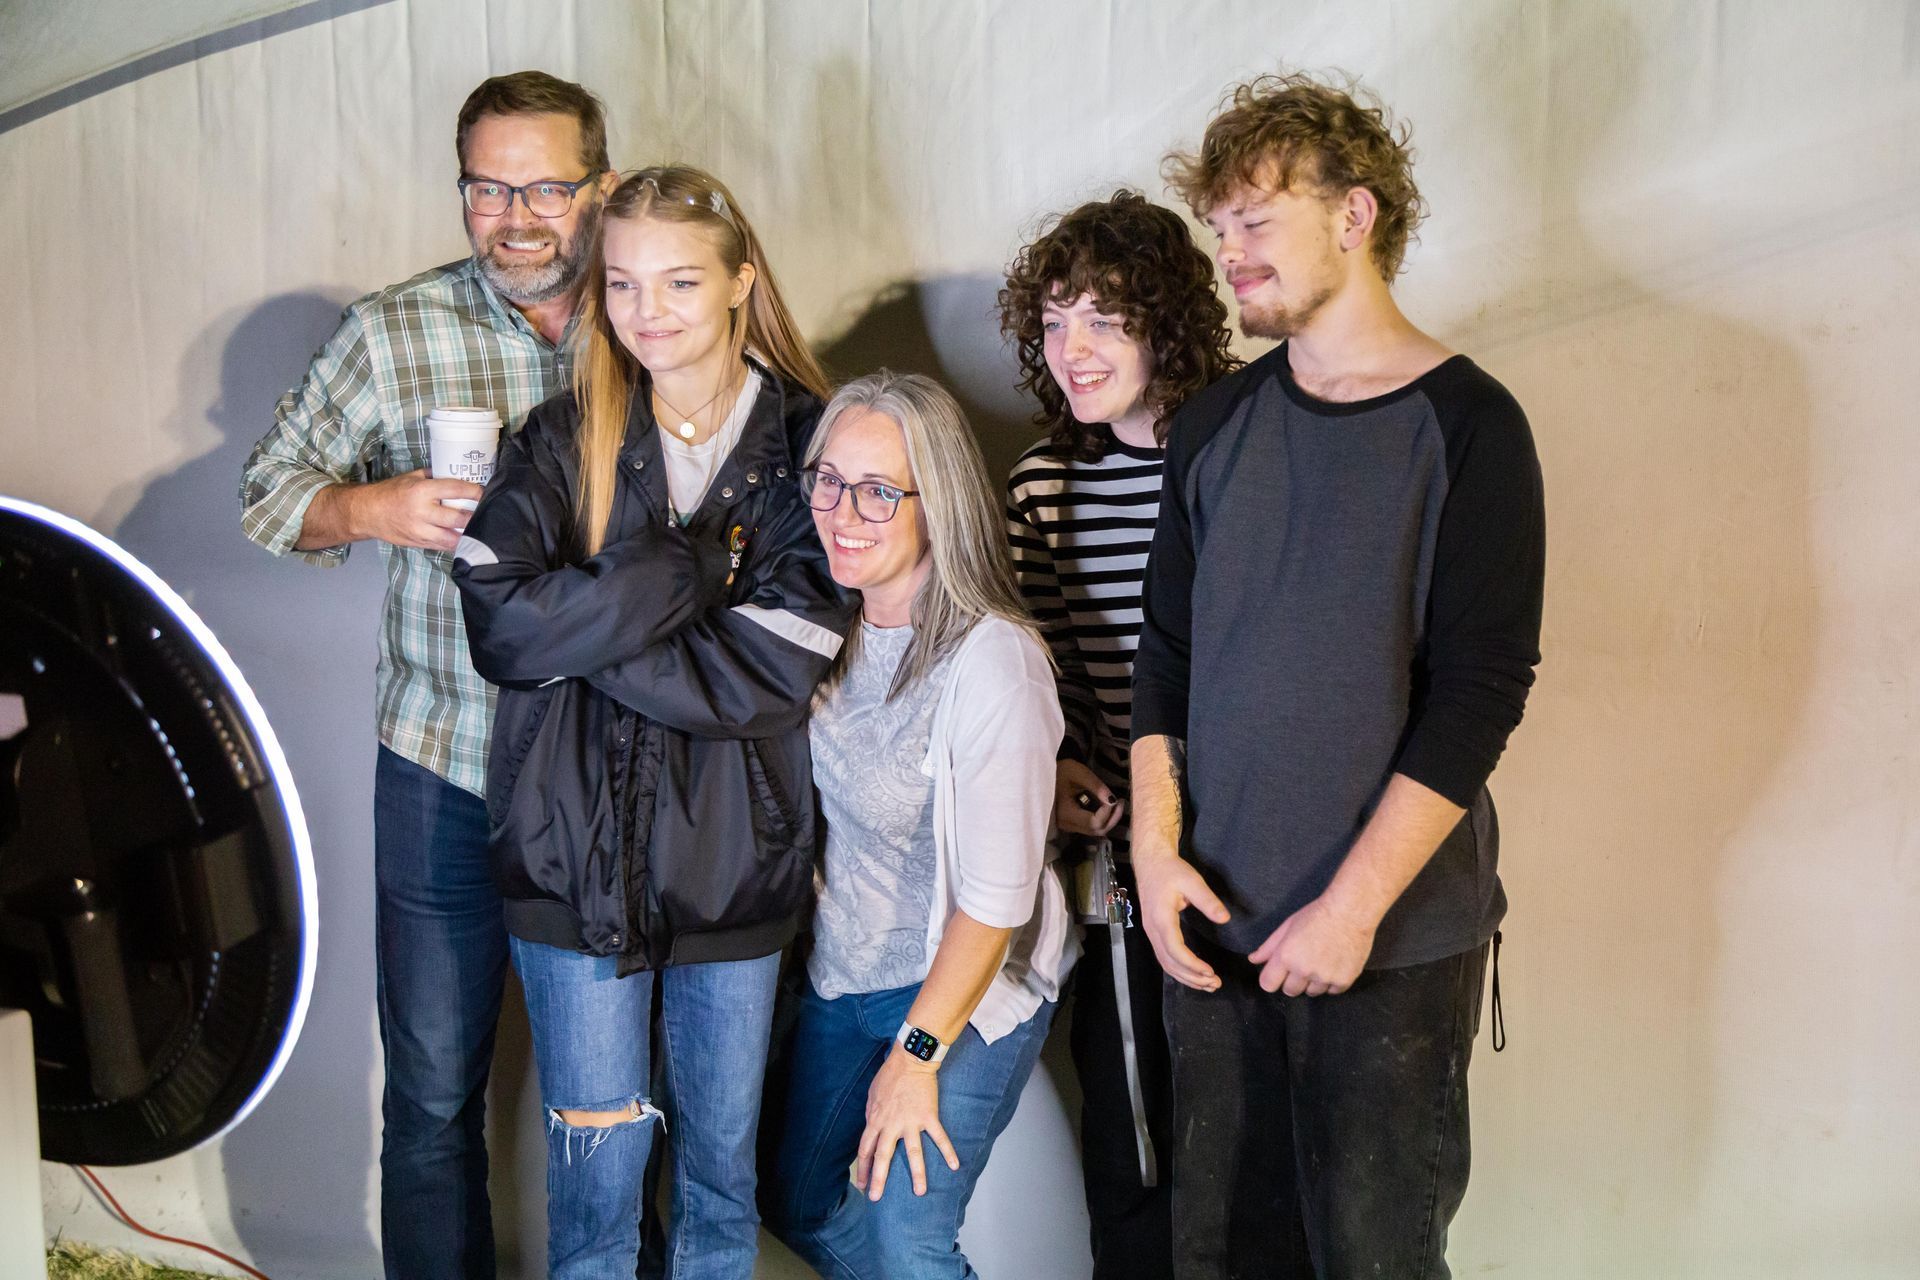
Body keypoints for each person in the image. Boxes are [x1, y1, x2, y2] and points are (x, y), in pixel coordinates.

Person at [1130, 73, 1546, 1279]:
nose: (1231, 258)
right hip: (1210, 932)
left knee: (1372, 1256)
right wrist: (1157, 860)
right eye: (1220, 232)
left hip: (1393, 944)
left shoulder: (1472, 425)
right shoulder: (1212, 426)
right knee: (1220, 1255)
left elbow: (1482, 690)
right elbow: (1166, 660)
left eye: (1254, 224)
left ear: (1355, 217)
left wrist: (1353, 907)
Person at [238, 70, 614, 1279]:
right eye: (487, 187)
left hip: (617, 766)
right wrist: (372, 504)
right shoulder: (391, 328)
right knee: (436, 1097)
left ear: (598, 188)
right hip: (442, 763)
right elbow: (267, 496)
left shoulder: (658, 311)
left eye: (547, 186)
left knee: (611, 1103)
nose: (516, 215)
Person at [449, 164, 855, 1279]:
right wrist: (684, 568)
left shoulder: (812, 447)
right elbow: (498, 625)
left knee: (721, 1187)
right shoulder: (557, 433)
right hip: (566, 867)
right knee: (595, 1202)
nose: (648, 311)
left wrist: (580, 628)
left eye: (679, 281)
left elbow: (769, 674)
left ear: (740, 282)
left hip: (738, 870)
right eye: (623, 284)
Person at [759, 371, 1076, 1278]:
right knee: (794, 1199)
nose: (841, 512)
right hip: (843, 976)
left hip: (962, 992)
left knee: (904, 1237)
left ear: (938, 504)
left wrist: (916, 1057)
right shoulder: (829, 631)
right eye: (828, 480)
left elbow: (995, 902)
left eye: (878, 491)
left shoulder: (994, 663)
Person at [997, 190, 1239, 1279]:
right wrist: (1058, 771)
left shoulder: (1245, 452)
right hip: (1118, 866)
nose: (1074, 348)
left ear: (1165, 323)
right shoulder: (1045, 483)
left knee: (1255, 1146)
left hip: (1253, 850)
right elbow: (1028, 677)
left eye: (1103, 317)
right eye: (1053, 321)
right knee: (1131, 1137)